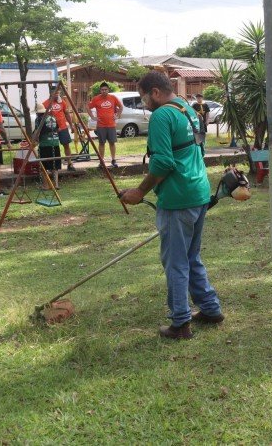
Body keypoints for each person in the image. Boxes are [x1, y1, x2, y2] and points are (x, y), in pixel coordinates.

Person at [120, 71, 222, 340]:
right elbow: (197, 150)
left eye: (143, 97)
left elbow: (163, 162)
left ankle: (180, 322)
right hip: (199, 192)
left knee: (176, 262)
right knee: (191, 257)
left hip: (178, 198)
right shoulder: (187, 109)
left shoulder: (162, 115)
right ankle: (211, 309)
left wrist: (140, 191)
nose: (143, 103)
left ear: (154, 92)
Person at [88, 82, 123, 168]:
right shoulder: (96, 99)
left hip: (111, 125)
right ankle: (101, 161)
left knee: (112, 143)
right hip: (101, 125)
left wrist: (117, 115)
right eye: (102, 90)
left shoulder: (113, 98)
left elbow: (121, 106)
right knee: (101, 143)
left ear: (108, 90)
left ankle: (113, 160)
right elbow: (88, 107)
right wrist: (93, 117)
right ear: (100, 90)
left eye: (105, 89)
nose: (104, 91)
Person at [42, 86, 76, 171]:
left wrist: (71, 125)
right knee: (52, 147)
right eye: (55, 93)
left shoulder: (62, 102)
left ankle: (69, 164)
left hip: (63, 127)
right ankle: (52, 166)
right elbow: (43, 117)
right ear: (51, 93)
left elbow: (67, 113)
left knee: (66, 145)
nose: (57, 95)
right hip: (52, 129)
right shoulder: (45, 104)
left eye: (58, 93)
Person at [35, 104, 60, 190]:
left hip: (45, 144)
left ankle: (45, 186)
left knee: (44, 166)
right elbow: (58, 129)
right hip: (55, 143)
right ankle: (56, 185)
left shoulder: (39, 119)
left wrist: (34, 140)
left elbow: (37, 132)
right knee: (55, 166)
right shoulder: (53, 118)